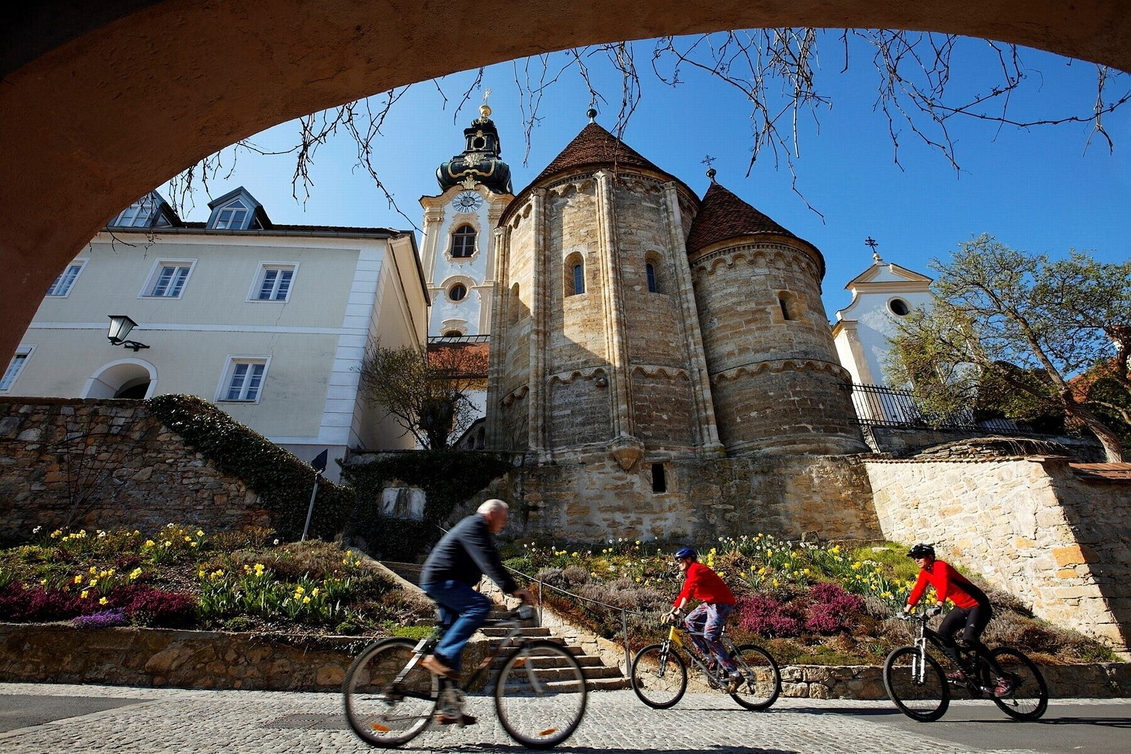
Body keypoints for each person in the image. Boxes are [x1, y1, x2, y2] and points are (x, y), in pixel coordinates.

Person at [419, 499, 532, 687]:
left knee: (454, 640)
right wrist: (514, 589)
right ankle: (440, 656)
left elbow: (489, 559)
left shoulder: (479, 530)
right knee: (481, 605)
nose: (504, 523)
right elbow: (489, 562)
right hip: (440, 581)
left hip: (443, 582)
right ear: (490, 515)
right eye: (502, 518)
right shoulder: (475, 526)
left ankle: (448, 706)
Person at [902, 543, 1013, 696]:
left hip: (978, 604)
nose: (916, 560)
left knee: (970, 639)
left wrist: (939, 604)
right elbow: (918, 590)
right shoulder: (925, 572)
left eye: (919, 556)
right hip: (962, 606)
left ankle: (1003, 678)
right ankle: (964, 669)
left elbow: (944, 583)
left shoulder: (941, 566)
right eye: (914, 558)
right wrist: (907, 610)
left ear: (930, 557)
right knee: (944, 634)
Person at [664, 547, 743, 692]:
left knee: (710, 636)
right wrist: (672, 611)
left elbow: (690, 591)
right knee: (689, 622)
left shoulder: (696, 569)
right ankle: (710, 659)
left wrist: (680, 610)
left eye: (680, 560)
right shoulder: (690, 573)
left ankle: (735, 673)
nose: (678, 563)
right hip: (710, 603)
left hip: (721, 604)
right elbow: (684, 593)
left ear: (689, 560)